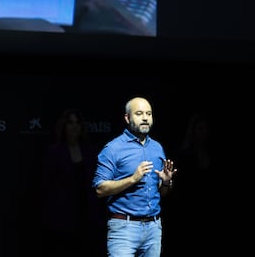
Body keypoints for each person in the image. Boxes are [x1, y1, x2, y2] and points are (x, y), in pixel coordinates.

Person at [92, 96, 177, 257]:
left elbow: (162, 193)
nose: (145, 117)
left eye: (148, 113)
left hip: (153, 228)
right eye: (139, 113)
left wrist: (166, 183)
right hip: (124, 228)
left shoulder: (157, 148)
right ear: (127, 118)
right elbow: (99, 189)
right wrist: (133, 178)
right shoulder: (113, 149)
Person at [41, 108, 106, 256]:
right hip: (61, 218)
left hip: (87, 217)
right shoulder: (53, 152)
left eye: (77, 122)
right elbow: (46, 185)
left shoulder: (91, 151)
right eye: (70, 123)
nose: (74, 126)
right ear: (64, 126)